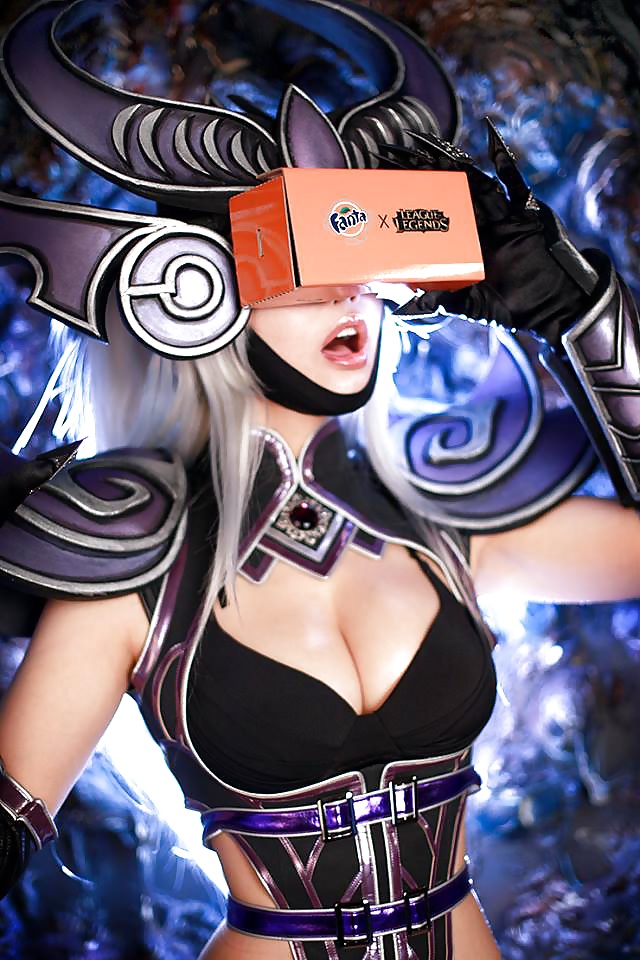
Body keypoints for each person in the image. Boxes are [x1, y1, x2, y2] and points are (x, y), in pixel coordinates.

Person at [0, 2, 639, 959]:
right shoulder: (135, 565)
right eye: (300, 267)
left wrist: (583, 315)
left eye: (356, 257)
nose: (346, 295)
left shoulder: (445, 531)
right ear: (192, 290)